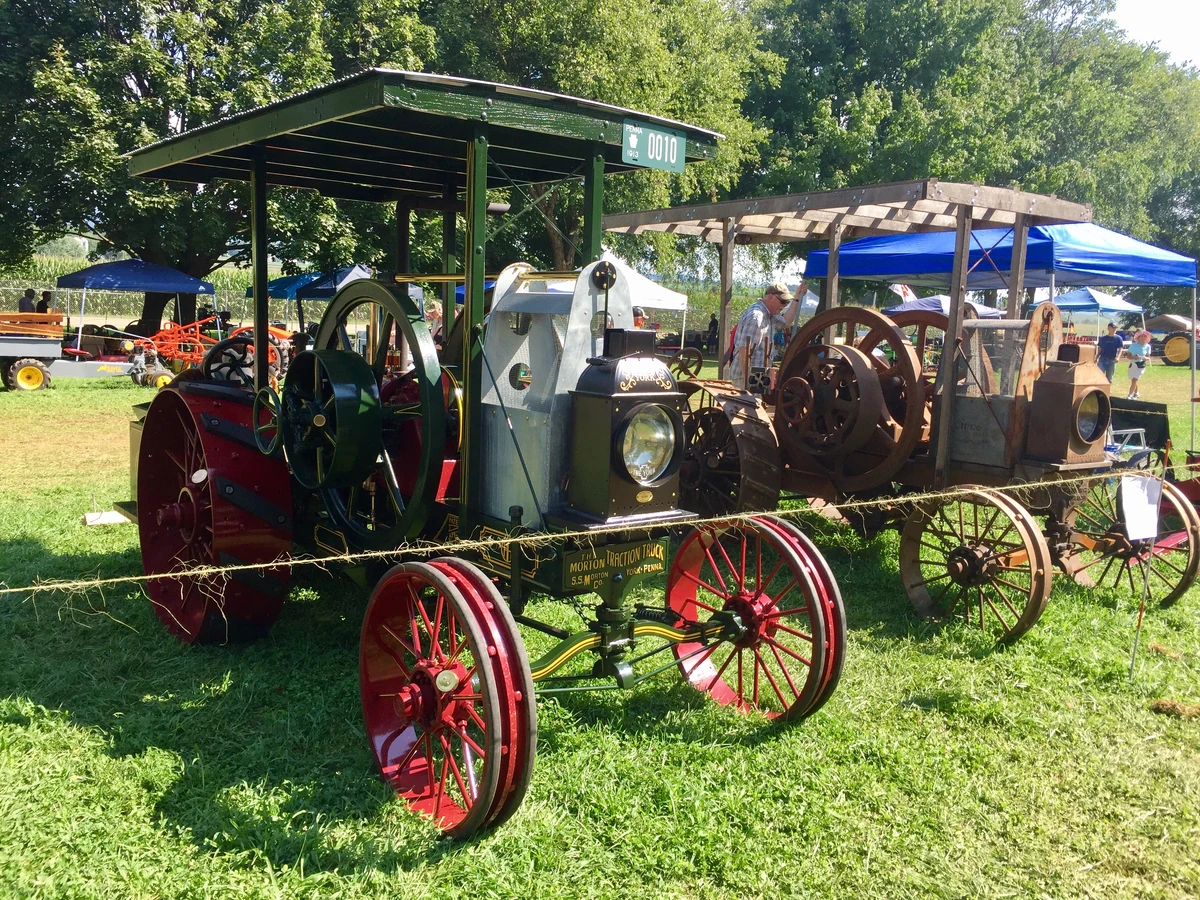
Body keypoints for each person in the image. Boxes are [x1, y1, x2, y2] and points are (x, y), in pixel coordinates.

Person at [729, 282, 798, 391]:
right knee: (748, 402)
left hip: (758, 377)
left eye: (787, 302)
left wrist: (797, 297)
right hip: (745, 378)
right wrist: (749, 383)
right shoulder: (757, 317)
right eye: (783, 301)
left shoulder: (770, 315)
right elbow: (744, 350)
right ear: (770, 296)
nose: (785, 305)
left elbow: (786, 322)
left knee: (759, 402)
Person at [1123, 330, 1151, 399]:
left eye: (1144, 336)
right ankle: (1136, 393)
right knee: (1133, 380)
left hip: (1141, 365)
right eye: (1141, 336)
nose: (1142, 338)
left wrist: (1145, 358)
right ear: (1138, 338)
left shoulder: (1148, 346)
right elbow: (1128, 356)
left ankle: (1130, 395)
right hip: (1133, 364)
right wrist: (1134, 357)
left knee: (1134, 380)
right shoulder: (1133, 346)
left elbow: (1148, 357)